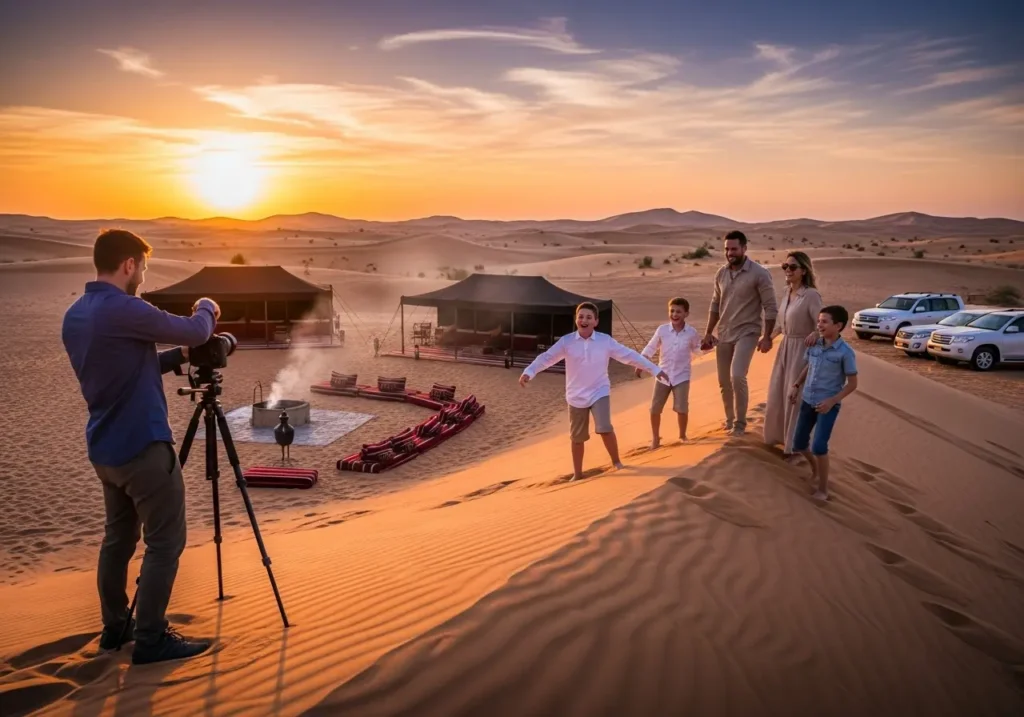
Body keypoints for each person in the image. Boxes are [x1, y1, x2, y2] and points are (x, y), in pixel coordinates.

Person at [62, 229, 221, 665]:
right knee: (166, 541)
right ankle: (151, 637)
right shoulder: (125, 308)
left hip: (105, 448)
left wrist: (175, 360)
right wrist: (207, 307)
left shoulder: (76, 315)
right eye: (143, 268)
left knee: (118, 540)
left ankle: (116, 627)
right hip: (144, 447)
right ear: (128, 264)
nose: (143, 278)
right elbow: (195, 330)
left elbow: (122, 364)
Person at [519, 302, 668, 480]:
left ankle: (617, 462)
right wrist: (529, 371)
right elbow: (547, 358)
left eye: (589, 317)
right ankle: (578, 474)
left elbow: (629, 356)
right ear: (576, 319)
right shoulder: (567, 342)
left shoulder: (605, 341)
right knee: (577, 437)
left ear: (596, 321)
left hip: (599, 391)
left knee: (604, 427)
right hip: (575, 396)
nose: (584, 320)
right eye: (581, 316)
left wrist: (655, 370)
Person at [702, 230, 778, 435]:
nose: (730, 253)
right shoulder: (721, 273)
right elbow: (715, 304)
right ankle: (729, 419)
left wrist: (767, 336)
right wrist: (709, 332)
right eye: (727, 249)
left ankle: (740, 424)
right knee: (723, 381)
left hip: (748, 331)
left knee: (737, 376)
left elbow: (770, 307)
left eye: (734, 249)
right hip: (725, 332)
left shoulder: (760, 274)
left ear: (744, 248)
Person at [788, 305, 859, 502]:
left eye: (824, 321)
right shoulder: (814, 344)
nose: (819, 325)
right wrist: (796, 385)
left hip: (828, 405)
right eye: (818, 321)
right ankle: (815, 468)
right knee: (799, 444)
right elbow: (808, 366)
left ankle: (823, 489)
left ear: (838, 325)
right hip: (807, 400)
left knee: (819, 446)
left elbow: (853, 384)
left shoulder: (845, 353)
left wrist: (832, 401)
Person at [764, 252, 822, 456]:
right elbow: (782, 324)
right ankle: (779, 438)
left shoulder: (811, 295)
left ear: (803, 270)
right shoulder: (787, 293)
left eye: (792, 267)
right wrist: (768, 338)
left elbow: (821, 324)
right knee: (778, 392)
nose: (787, 270)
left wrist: (816, 333)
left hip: (802, 350)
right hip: (785, 348)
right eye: (785, 266)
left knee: (794, 397)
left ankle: (795, 448)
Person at [636, 297, 703, 448]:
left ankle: (682, 436)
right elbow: (651, 347)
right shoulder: (662, 330)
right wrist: (641, 363)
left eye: (678, 311)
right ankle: (655, 438)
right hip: (663, 375)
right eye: (672, 311)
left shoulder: (691, 332)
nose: (674, 314)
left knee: (682, 408)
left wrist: (707, 347)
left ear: (686, 313)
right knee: (655, 409)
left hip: (682, 376)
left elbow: (697, 349)